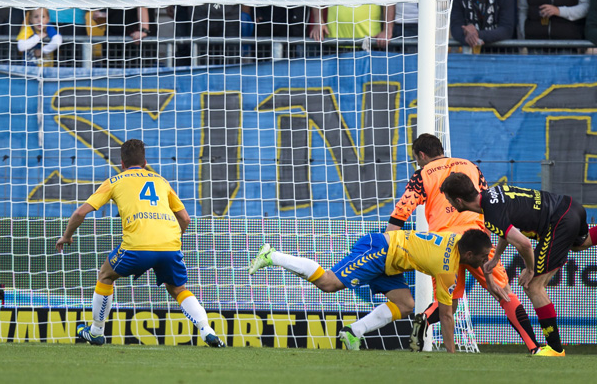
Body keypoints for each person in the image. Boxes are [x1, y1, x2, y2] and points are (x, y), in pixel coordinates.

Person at [56, 139, 226, 348]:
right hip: (169, 245)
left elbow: (81, 212)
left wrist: (67, 236)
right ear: (145, 162)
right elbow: (185, 218)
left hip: (137, 246)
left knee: (106, 275)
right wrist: (170, 241)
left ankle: (96, 332)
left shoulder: (115, 180)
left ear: (122, 163)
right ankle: (206, 329)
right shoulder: (161, 181)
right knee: (177, 288)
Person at [386, 134, 540, 354]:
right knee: (504, 292)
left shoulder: (422, 174)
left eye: (416, 159)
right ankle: (534, 347)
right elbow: (487, 202)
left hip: (442, 245)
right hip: (475, 241)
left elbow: (403, 210)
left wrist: (388, 243)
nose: (417, 163)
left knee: (449, 301)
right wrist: (489, 237)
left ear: (421, 155)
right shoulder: (470, 167)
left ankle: (424, 318)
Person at [249, 229, 493, 354]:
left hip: (392, 262)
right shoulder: (447, 267)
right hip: (380, 250)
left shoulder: (456, 239)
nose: (484, 261)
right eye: (483, 257)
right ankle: (273, 255)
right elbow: (447, 314)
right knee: (329, 284)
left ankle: (354, 331)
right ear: (468, 255)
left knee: (406, 304)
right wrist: (451, 355)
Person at [440, 172, 597, 357]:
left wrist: (530, 269)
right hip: (570, 207)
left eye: (449, 200)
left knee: (533, 286)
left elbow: (524, 243)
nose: (449, 204)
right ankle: (554, 347)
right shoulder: (491, 195)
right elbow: (508, 229)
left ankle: (555, 349)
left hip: (559, 221)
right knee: (580, 244)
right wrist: (497, 257)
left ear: (458, 201)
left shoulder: (491, 214)